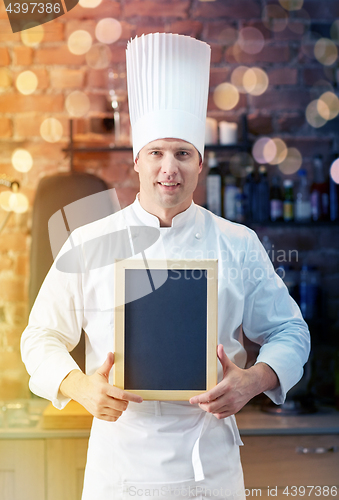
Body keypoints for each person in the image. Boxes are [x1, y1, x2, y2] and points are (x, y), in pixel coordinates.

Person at [21, 33, 310, 500]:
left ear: (200, 163)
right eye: (156, 152)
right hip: (119, 472)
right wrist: (78, 386)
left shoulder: (238, 244)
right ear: (137, 161)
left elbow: (291, 332)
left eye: (182, 154)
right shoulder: (90, 241)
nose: (168, 169)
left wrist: (253, 382)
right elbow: (39, 337)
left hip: (209, 471)